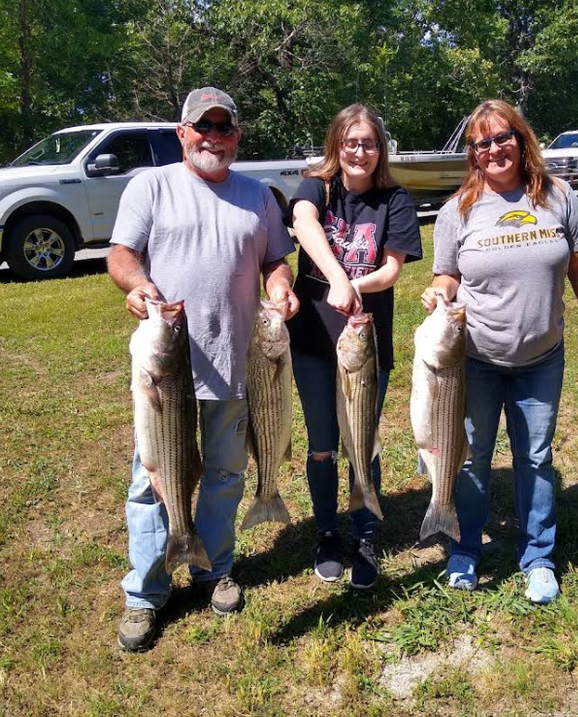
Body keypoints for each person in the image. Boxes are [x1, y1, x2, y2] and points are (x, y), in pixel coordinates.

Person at [108, 87, 299, 652]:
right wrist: (138, 285)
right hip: (167, 368)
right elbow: (122, 254)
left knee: (224, 474)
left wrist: (281, 286)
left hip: (241, 363)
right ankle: (146, 594)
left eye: (224, 128)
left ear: (236, 136)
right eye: (203, 126)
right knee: (153, 480)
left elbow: (274, 260)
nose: (213, 136)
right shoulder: (152, 185)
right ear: (182, 133)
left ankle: (213, 568)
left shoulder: (258, 196)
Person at [421, 99, 578, 604]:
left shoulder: (558, 195)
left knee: (534, 456)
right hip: (475, 362)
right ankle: (465, 547)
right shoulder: (456, 210)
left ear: (521, 138)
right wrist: (440, 292)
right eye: (482, 142)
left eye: (502, 137)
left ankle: (539, 556)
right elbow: (447, 274)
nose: (494, 149)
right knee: (469, 457)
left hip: (541, 359)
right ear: (473, 153)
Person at [288, 104, 422, 589]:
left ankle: (365, 534)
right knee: (322, 444)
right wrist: (337, 276)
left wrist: (356, 287)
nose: (359, 152)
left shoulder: (395, 199)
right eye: (351, 143)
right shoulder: (316, 187)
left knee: (362, 442)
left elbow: (391, 268)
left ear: (379, 149)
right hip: (312, 342)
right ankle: (327, 533)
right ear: (336, 146)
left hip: (366, 344)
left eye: (368, 143)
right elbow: (303, 224)